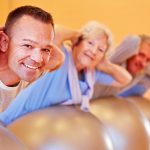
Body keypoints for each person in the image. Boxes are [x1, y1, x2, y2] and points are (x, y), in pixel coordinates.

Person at [0, 21, 132, 125]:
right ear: (77, 43)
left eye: (100, 49)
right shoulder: (61, 57)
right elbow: (56, 32)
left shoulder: (90, 74)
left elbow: (125, 80)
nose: (93, 51)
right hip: (14, 123)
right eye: (90, 43)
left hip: (45, 132)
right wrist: (78, 34)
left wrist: (105, 64)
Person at [0, 5, 64, 111]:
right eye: (28, 45)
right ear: (3, 42)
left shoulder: (32, 72)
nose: (38, 59)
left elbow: (58, 58)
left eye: (45, 49)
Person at [92, 35, 150, 99]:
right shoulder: (114, 60)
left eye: (148, 60)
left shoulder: (139, 74)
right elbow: (133, 41)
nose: (143, 63)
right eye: (141, 55)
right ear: (132, 52)